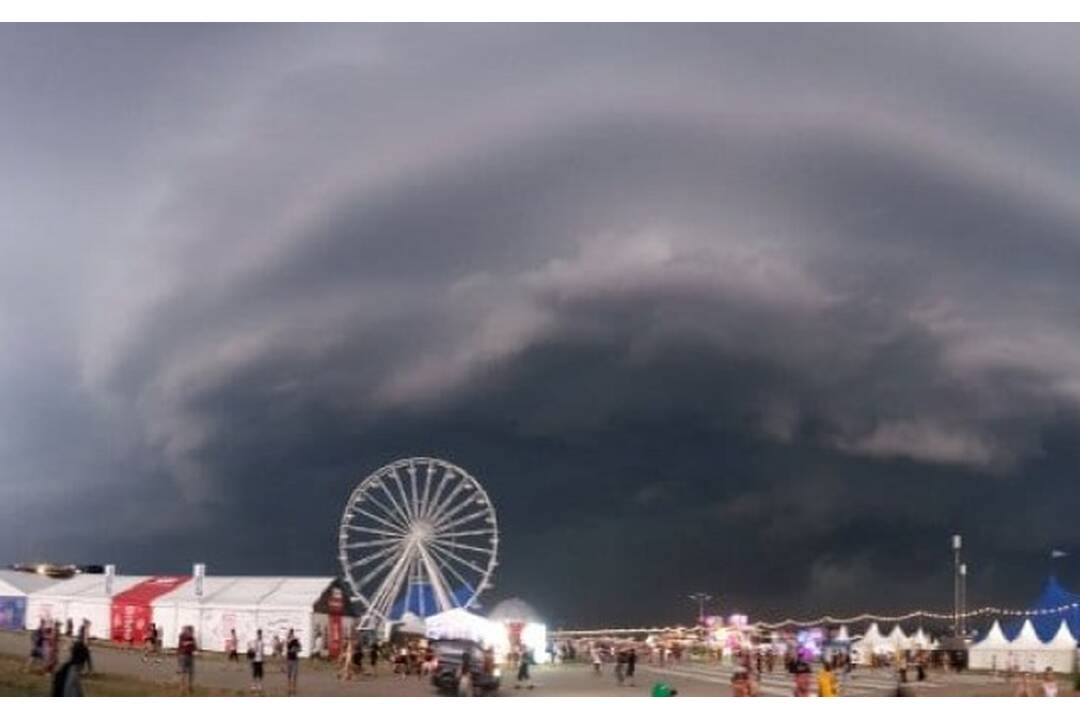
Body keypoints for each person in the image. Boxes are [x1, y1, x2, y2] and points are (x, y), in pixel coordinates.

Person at [177, 624, 197, 696]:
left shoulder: (192, 638)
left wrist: (193, 647)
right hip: (183, 656)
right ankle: (182, 688)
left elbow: (194, 647)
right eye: (191, 631)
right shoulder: (182, 636)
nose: (192, 633)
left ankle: (190, 686)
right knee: (183, 673)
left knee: (191, 673)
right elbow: (183, 644)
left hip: (190, 656)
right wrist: (190, 643)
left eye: (192, 631)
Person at [285, 628, 301, 696]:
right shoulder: (288, 640)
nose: (291, 634)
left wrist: (295, 649)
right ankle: (289, 688)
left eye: (291, 633)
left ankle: (293, 688)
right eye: (290, 633)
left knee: (294, 675)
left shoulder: (296, 640)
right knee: (289, 675)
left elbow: (300, 648)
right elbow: (286, 649)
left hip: (294, 659)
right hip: (289, 659)